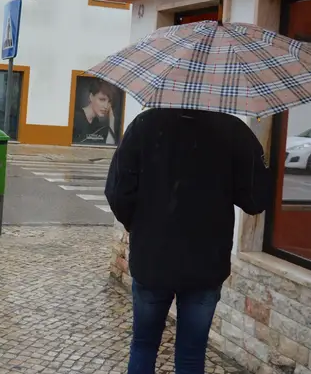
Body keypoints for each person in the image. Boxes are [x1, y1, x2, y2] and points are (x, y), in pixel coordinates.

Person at [105, 108, 272, 374]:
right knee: (192, 354)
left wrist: (138, 226)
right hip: (206, 262)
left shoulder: (144, 125)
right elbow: (256, 199)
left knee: (144, 345)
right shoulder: (232, 130)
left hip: (152, 258)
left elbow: (117, 192)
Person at [72, 79, 119, 145]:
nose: (106, 106)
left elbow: (109, 146)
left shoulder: (96, 123)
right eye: (102, 99)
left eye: (109, 102)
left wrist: (111, 121)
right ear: (91, 97)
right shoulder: (76, 117)